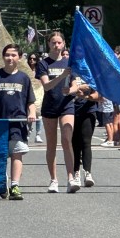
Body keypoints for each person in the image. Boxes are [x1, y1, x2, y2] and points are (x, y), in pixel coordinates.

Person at [0, 43, 37, 200]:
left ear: (19, 58)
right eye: (7, 55)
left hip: (17, 122)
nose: (10, 58)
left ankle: (15, 186)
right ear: (3, 57)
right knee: (0, 155)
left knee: (17, 154)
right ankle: (2, 182)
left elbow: (30, 101)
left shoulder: (24, 78)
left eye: (13, 55)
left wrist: (31, 113)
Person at [36, 31, 78, 192]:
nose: (56, 45)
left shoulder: (69, 62)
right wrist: (62, 76)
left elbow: (75, 84)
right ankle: (53, 179)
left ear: (64, 44)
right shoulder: (43, 64)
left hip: (66, 105)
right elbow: (46, 86)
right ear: (49, 44)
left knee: (67, 141)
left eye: (59, 42)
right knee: (51, 144)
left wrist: (71, 89)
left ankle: (71, 178)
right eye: (53, 42)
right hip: (50, 105)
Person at [71, 77, 99, 189]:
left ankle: (88, 173)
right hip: (70, 111)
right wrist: (77, 88)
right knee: (74, 144)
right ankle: (75, 173)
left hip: (88, 111)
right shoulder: (69, 72)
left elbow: (99, 96)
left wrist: (86, 96)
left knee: (86, 142)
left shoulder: (91, 73)